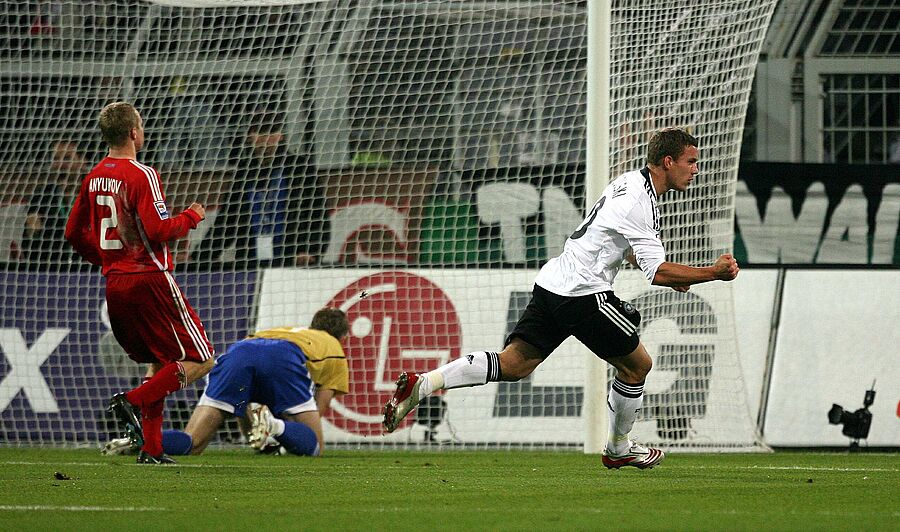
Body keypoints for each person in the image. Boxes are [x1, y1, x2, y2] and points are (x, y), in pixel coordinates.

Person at [382, 127, 740, 469]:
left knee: (514, 365)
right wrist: (713, 272)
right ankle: (618, 449)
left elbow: (615, 243)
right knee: (637, 366)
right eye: (691, 161)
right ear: (668, 162)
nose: (696, 169)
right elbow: (657, 272)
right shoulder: (639, 203)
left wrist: (668, 272)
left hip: (554, 283)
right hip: (584, 294)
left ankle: (424, 384)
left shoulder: (629, 182)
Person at [65, 101, 215, 465]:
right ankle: (133, 401)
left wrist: (106, 260)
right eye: (142, 126)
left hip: (115, 283)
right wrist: (192, 216)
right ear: (133, 132)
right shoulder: (141, 174)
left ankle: (152, 448)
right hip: (149, 279)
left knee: (159, 362)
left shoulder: (94, 175)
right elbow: (159, 229)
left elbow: (72, 232)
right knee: (202, 359)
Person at [141, 307, 348, 457]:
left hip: (238, 352)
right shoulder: (334, 348)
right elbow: (319, 409)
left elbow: (243, 400)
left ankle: (139, 439)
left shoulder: (287, 330)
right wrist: (283, 430)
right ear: (343, 336)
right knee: (315, 445)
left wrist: (253, 431)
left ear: (312, 325)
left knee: (193, 443)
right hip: (282, 357)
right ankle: (273, 425)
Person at [192, 111, 327, 269]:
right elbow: (228, 220)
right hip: (250, 258)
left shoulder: (300, 169)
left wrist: (311, 251)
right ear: (250, 137)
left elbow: (317, 214)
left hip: (291, 257)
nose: (265, 138)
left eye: (271, 132)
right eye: (260, 132)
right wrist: (199, 256)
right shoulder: (244, 172)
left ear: (281, 136)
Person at [22, 139, 88, 266]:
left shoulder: (96, 195)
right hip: (51, 270)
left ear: (82, 162)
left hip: (88, 270)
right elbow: (29, 251)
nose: (61, 164)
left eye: (67, 158)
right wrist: (32, 233)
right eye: (56, 159)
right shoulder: (41, 198)